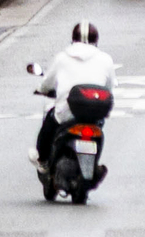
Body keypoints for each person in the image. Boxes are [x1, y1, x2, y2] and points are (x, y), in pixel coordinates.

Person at [33, 21, 116, 170]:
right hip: (96, 115)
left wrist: (41, 89)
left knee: (50, 122)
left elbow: (47, 83)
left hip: (67, 113)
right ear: (95, 40)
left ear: (73, 39)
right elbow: (110, 87)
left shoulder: (62, 58)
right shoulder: (106, 59)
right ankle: (92, 165)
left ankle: (43, 160)